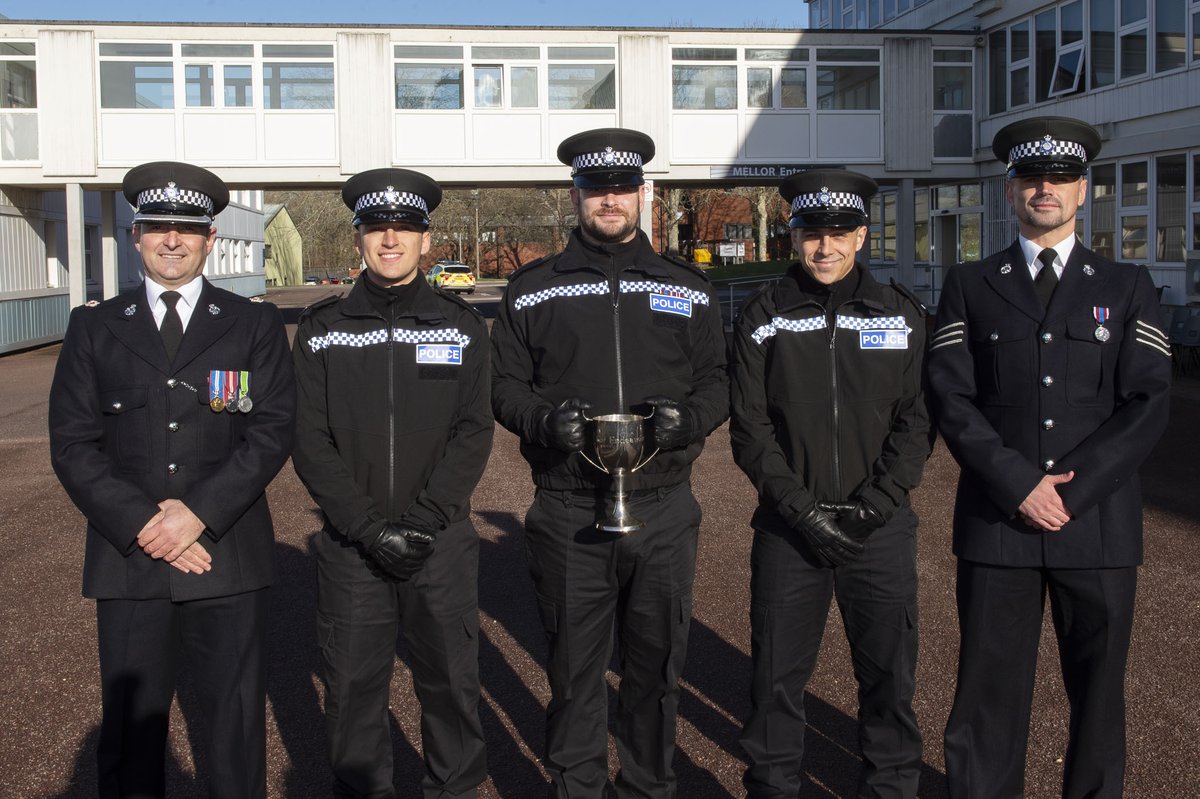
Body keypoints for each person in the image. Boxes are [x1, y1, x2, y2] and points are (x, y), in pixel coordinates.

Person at [928, 118, 1172, 798]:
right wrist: (1018, 483)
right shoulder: (970, 284)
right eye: (1031, 179)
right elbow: (950, 396)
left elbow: (1148, 402)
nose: (1046, 189)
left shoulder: (1126, 286)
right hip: (998, 522)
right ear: (1010, 192)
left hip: (1096, 526)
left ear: (1082, 191)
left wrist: (1071, 489)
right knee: (987, 698)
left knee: (1099, 698)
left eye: (1060, 179)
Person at [490, 127, 729, 798]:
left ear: (642, 194)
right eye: (597, 188)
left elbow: (718, 380)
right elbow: (504, 387)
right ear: (577, 195)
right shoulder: (532, 289)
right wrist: (543, 420)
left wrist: (689, 421)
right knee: (573, 669)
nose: (611, 200)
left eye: (623, 188)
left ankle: (649, 784)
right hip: (569, 509)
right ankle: (577, 784)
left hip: (663, 507)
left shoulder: (687, 285)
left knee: (657, 667)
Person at [48, 161, 296, 798]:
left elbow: (271, 432)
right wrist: (146, 524)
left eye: (189, 228)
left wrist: (196, 516)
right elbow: (73, 444)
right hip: (129, 556)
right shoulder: (94, 327)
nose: (173, 240)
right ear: (136, 237)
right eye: (157, 227)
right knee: (132, 736)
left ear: (211, 239)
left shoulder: (253, 323)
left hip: (226, 552)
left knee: (234, 730)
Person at [290, 168, 493, 799]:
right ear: (358, 239)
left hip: (441, 544)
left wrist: (424, 520)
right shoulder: (323, 328)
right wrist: (369, 529)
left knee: (453, 691)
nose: (390, 240)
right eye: (376, 227)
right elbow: (310, 442)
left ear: (426, 240)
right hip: (354, 548)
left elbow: (472, 431)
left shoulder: (461, 327)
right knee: (351, 695)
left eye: (404, 228)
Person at [730, 169, 932, 798]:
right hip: (791, 532)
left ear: (862, 236)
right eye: (812, 232)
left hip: (881, 532)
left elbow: (918, 421)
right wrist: (801, 511)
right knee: (775, 684)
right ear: (793, 235)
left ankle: (891, 789)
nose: (825, 247)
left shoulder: (900, 315)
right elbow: (750, 428)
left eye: (839, 233)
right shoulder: (762, 316)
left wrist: (874, 508)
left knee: (889, 682)